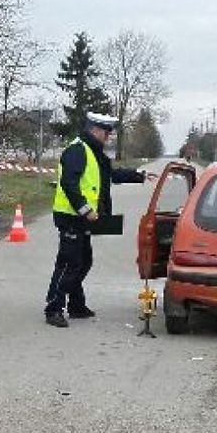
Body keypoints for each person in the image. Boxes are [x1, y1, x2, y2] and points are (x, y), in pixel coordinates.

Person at [44, 112, 148, 328]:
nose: (108, 137)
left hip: (82, 218)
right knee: (69, 263)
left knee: (83, 261)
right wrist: (85, 209)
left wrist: (139, 175)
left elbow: (110, 174)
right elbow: (69, 183)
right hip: (72, 217)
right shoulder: (77, 150)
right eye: (106, 132)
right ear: (94, 130)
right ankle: (54, 308)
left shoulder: (94, 152)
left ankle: (76, 305)